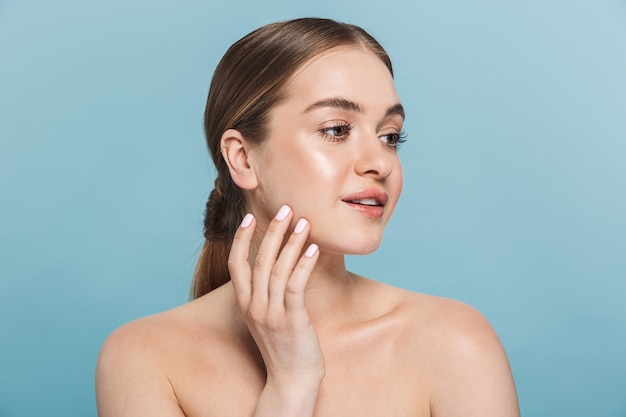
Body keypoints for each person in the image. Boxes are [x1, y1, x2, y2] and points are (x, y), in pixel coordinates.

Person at [95, 17, 520, 417]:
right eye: (336, 130)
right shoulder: (145, 357)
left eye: (390, 136)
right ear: (243, 158)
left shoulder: (454, 343)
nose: (380, 163)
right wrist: (291, 386)